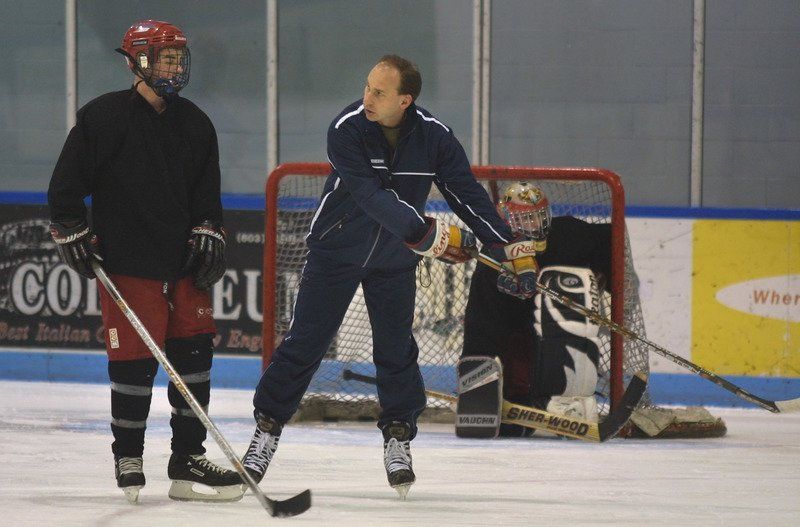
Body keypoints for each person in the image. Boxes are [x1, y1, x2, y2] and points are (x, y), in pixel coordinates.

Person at [242, 55, 537, 498]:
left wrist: (505, 246)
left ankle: (398, 438)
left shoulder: (435, 137)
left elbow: (466, 192)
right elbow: (369, 195)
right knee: (306, 342)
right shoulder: (347, 129)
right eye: (366, 88)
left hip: (394, 262)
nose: (367, 99)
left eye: (379, 93)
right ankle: (265, 432)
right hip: (336, 252)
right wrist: (425, 233)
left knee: (396, 350)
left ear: (406, 99)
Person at [47, 20, 241, 503]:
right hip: (126, 264)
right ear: (138, 60)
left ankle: (187, 460)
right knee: (133, 366)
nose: (175, 67)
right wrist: (72, 228)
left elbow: (207, 198)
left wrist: (209, 230)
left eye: (179, 59)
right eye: (166, 58)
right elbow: (65, 189)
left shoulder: (196, 123)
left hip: (184, 266)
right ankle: (128, 455)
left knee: (195, 361)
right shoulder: (102, 117)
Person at [462, 182, 612, 437]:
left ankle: (569, 399)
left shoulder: (569, 235)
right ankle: (517, 398)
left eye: (537, 217)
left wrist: (607, 279)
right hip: (516, 332)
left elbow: (609, 242)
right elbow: (482, 319)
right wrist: (478, 378)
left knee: (564, 307)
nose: (533, 225)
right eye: (524, 219)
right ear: (508, 221)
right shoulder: (495, 254)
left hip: (553, 335)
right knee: (508, 347)